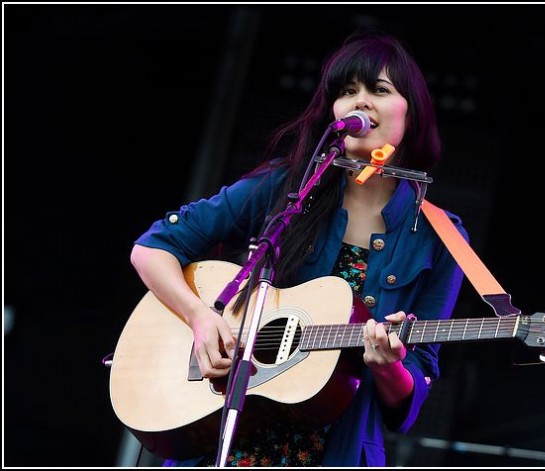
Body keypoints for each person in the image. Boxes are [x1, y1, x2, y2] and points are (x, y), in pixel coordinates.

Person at [130, 31, 468, 467]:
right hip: (227, 443)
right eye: (348, 91)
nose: (359, 101)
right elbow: (151, 248)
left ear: (412, 112)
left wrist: (388, 366)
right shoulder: (285, 190)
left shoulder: (442, 236)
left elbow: (410, 402)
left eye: (379, 90)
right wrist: (200, 318)